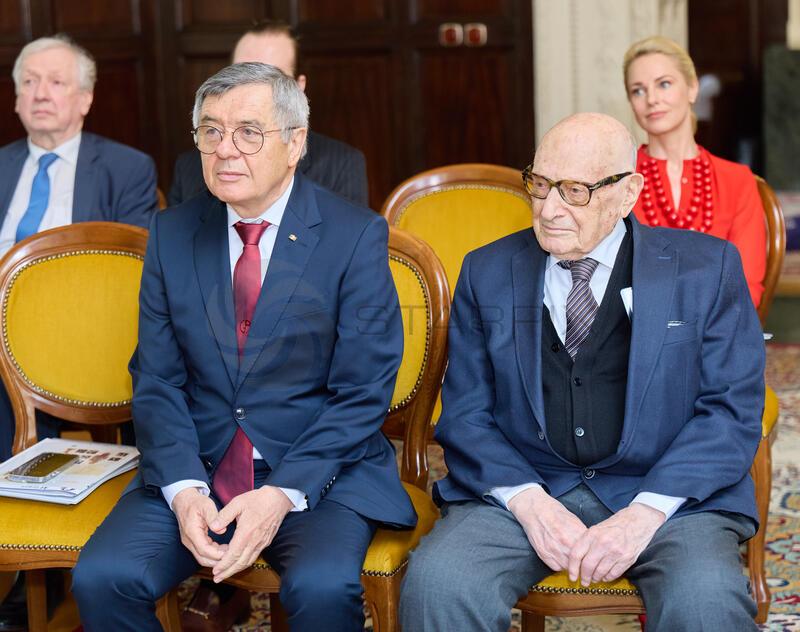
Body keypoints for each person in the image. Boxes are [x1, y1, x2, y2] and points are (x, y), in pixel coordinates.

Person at [71, 62, 415, 632]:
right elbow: (157, 380)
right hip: (198, 466)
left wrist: (281, 493)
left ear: (295, 143)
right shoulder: (172, 234)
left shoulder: (353, 236)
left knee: (323, 588)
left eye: (248, 132)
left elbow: (362, 392)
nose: (225, 149)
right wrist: (183, 490)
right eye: (211, 131)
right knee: (103, 577)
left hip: (315, 472)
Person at [399, 113, 764, 631]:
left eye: (574, 191)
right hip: (525, 487)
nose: (549, 209)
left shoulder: (707, 269)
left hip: (669, 498)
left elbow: (730, 412)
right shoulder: (486, 271)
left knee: (706, 602)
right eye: (540, 184)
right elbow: (467, 414)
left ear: (627, 193)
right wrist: (529, 503)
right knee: (438, 583)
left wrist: (646, 512)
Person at [0, 33, 158, 632]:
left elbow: (133, 275)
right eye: (29, 82)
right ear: (16, 98)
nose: (40, 93)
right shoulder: (1, 166)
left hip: (87, 337)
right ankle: (20, 563)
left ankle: (84, 560)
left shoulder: (125, 168)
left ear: (86, 99)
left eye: (56, 82)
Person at [624, 35, 766, 307]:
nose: (651, 99)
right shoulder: (619, 182)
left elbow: (746, 287)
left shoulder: (737, 181)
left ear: (692, 88)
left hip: (720, 328)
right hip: (639, 329)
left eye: (664, 84)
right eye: (638, 91)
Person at [168, 20, 368, 208]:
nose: (251, 88)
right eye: (240, 74)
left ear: (299, 88)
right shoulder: (190, 167)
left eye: (271, 78)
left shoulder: (341, 164)